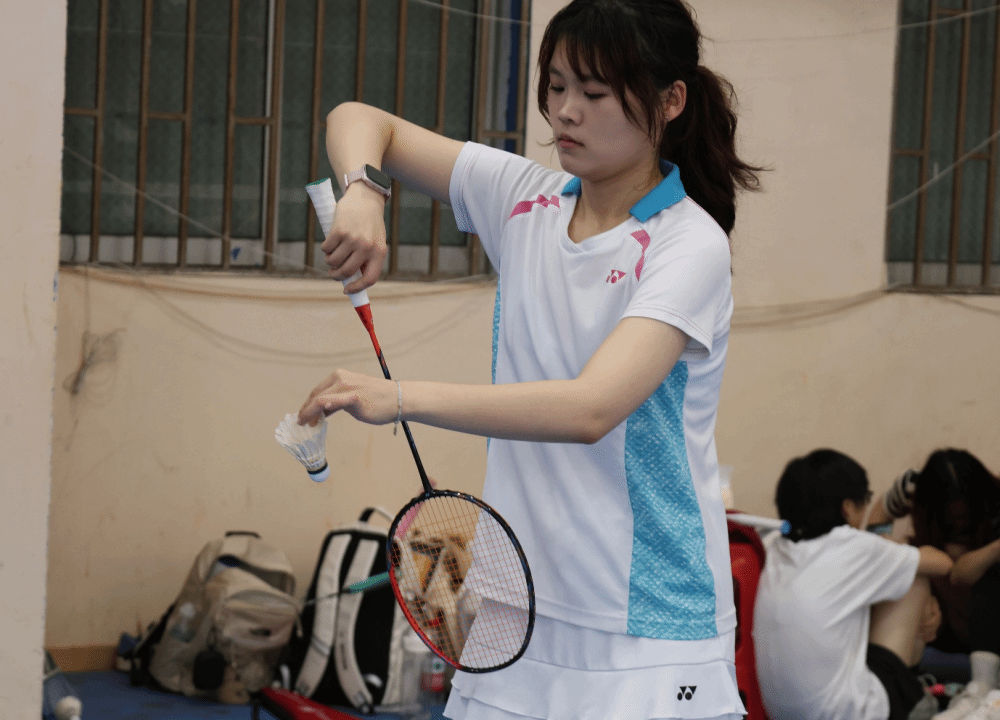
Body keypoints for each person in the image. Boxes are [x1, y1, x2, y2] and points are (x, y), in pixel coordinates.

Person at [294, 1, 762, 718]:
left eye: (595, 92)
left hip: (647, 625)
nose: (566, 111)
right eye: (557, 85)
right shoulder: (524, 199)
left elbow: (590, 408)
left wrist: (400, 397)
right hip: (517, 604)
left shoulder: (687, 244)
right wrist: (363, 190)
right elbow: (359, 118)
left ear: (670, 101)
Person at [752, 449, 953, 720]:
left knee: (886, 581)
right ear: (847, 508)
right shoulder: (851, 545)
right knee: (915, 578)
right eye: (864, 501)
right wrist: (894, 545)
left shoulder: (773, 546)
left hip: (781, 714)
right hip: (849, 714)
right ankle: (912, 699)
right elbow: (943, 563)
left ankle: (911, 691)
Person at [876, 449, 1000, 717]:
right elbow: (880, 512)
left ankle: (984, 687)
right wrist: (880, 545)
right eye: (951, 516)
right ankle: (906, 692)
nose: (958, 523)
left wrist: (999, 547)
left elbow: (962, 573)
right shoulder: (911, 486)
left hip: (993, 620)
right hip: (941, 618)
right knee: (907, 566)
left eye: (964, 515)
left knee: (993, 573)